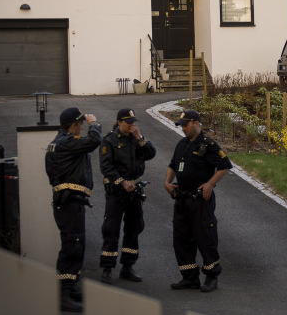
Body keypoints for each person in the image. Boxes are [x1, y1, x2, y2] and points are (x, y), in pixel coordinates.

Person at [165, 109, 232, 293]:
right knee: (181, 238)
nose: (183, 128)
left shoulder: (208, 144)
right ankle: (189, 277)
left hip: (199, 199)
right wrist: (167, 182)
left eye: (185, 125)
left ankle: (211, 276)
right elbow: (172, 165)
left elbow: (224, 166)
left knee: (205, 237)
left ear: (195, 123)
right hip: (182, 198)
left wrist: (210, 184)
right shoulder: (182, 144)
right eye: (181, 125)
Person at [45, 107, 101, 312]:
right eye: (80, 125)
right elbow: (93, 141)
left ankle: (71, 286)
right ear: (73, 125)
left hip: (71, 201)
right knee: (72, 245)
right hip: (69, 202)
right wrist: (94, 124)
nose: (82, 128)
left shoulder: (59, 142)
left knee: (76, 243)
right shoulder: (66, 142)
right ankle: (63, 293)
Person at [98, 108, 156, 284]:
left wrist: (140, 138)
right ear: (119, 122)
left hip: (134, 190)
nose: (131, 125)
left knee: (134, 227)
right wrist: (122, 182)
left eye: (133, 122)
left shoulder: (135, 138)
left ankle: (127, 266)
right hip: (117, 190)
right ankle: (107, 267)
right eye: (128, 122)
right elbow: (106, 167)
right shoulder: (109, 140)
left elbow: (151, 154)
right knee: (111, 228)